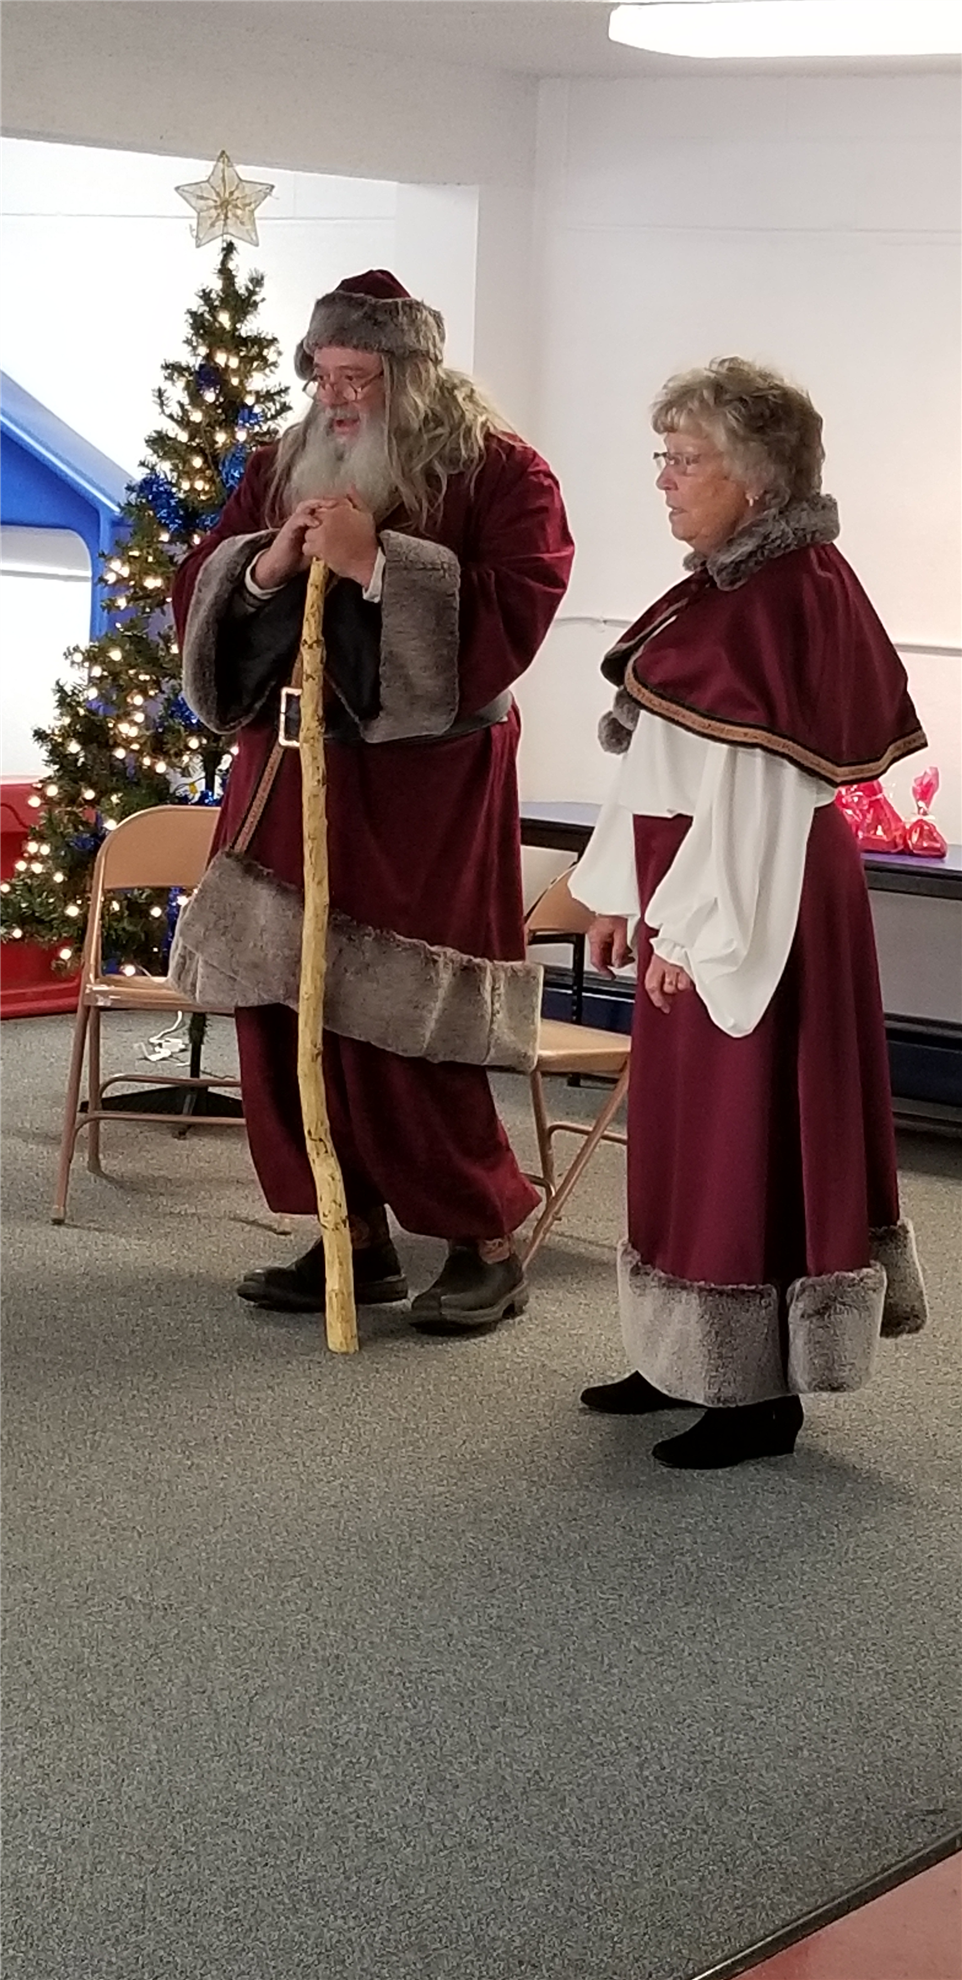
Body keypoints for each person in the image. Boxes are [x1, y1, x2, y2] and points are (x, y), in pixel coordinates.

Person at [170, 270, 573, 1329]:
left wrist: (384, 565)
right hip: (287, 771)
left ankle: (482, 1240)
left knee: (401, 1018)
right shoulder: (280, 462)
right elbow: (203, 575)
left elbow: (518, 609)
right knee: (280, 999)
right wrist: (264, 566)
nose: (338, 396)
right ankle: (348, 1233)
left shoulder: (499, 472)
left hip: (419, 795)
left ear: (414, 377)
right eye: (326, 374)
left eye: (360, 377)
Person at [572, 357, 928, 1468]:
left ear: (758, 481)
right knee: (679, 1138)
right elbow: (665, 772)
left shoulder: (792, 596)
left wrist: (694, 929)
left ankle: (753, 1394)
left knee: (747, 1137)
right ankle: (681, 1352)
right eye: (661, 458)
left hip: (754, 901)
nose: (665, 481)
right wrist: (620, 897)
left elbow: (763, 797)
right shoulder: (724, 585)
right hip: (695, 888)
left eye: (688, 461)